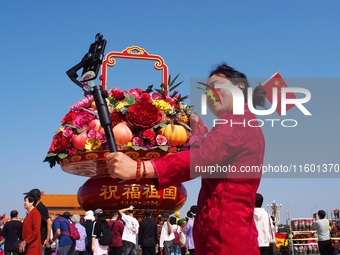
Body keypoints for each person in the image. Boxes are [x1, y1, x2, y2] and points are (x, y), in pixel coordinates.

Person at [106, 63, 266, 255]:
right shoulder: (241, 121)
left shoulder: (237, 120)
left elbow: (203, 157)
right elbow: (211, 154)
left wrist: (139, 168)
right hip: (225, 237)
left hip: (226, 242)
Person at [23, 188, 53, 255]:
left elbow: (49, 222)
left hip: (41, 238)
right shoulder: (35, 208)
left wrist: (47, 238)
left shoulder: (40, 207)